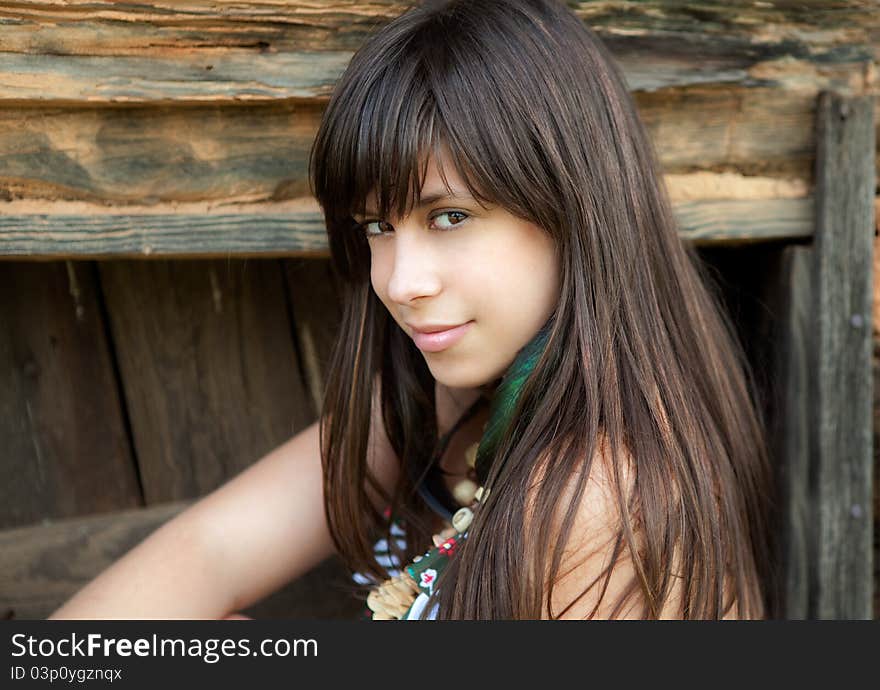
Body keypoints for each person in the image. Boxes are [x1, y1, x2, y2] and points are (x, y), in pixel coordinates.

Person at [50, 0, 775, 621]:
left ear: (571, 211)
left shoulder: (597, 497)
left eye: (450, 216)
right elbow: (204, 552)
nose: (399, 282)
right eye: (377, 227)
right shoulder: (444, 407)